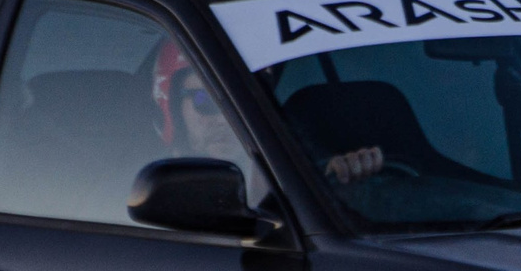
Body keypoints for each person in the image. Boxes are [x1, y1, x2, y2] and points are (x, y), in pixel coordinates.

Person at [154, 40, 383, 185]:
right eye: (205, 100)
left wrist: (340, 181)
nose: (226, 119)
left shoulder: (300, 182)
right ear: (170, 104)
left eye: (246, 101)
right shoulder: (139, 196)